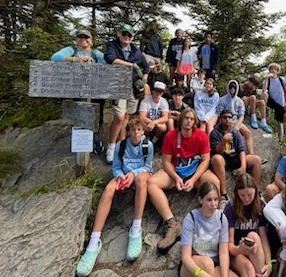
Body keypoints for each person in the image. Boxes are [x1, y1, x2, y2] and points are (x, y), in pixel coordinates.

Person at [75, 118, 153, 276]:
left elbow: (148, 166)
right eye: (133, 130)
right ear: (128, 131)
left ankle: (136, 228)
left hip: (139, 175)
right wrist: (121, 176)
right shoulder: (121, 146)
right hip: (123, 176)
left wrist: (133, 174)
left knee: (141, 181)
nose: (136, 133)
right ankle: (94, 242)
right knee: (108, 190)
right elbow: (116, 167)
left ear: (143, 131)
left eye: (139, 130)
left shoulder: (147, 146)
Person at [147, 108, 220, 252]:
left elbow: (206, 160)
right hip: (176, 172)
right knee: (151, 183)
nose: (188, 121)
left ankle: (206, 223)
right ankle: (172, 224)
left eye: (191, 119)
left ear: (195, 122)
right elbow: (166, 162)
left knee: (214, 183)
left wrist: (193, 180)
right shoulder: (171, 136)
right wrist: (175, 177)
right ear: (181, 120)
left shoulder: (201, 136)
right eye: (186, 118)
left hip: (195, 173)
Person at [51, 28, 106, 154]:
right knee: (80, 115)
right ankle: (82, 144)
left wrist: (92, 64)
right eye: (80, 37)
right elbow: (55, 57)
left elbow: (106, 63)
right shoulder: (71, 50)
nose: (83, 40)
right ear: (76, 40)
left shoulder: (96, 53)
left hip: (96, 89)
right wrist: (75, 60)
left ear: (91, 40)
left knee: (98, 116)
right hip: (78, 89)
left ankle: (96, 140)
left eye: (86, 38)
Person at [104, 24, 149, 163]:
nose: (127, 37)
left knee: (126, 117)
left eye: (129, 35)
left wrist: (143, 80)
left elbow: (146, 67)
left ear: (133, 37)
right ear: (118, 34)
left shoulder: (136, 51)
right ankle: (111, 146)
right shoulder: (113, 46)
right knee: (119, 116)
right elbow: (110, 59)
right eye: (124, 34)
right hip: (118, 86)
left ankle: (121, 146)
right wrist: (132, 65)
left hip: (133, 88)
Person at [210, 110, 262, 210]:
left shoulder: (235, 131)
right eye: (225, 117)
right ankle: (223, 195)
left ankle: (257, 193)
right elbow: (217, 151)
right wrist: (224, 140)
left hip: (236, 158)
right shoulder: (214, 133)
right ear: (220, 119)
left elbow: (242, 149)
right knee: (216, 159)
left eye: (230, 117)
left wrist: (243, 166)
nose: (227, 120)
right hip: (223, 159)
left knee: (256, 160)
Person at [224, 174, 272, 277]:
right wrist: (240, 250)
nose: (246, 199)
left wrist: (269, 263)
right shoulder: (230, 208)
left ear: (255, 191)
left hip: (253, 247)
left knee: (253, 236)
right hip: (236, 251)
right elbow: (229, 244)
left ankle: (261, 273)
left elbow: (263, 236)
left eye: (250, 195)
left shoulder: (260, 205)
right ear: (237, 193)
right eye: (242, 195)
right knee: (249, 270)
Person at [180, 181, 231, 277]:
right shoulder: (191, 218)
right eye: (209, 200)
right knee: (207, 264)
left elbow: (223, 253)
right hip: (194, 265)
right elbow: (186, 258)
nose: (214, 204)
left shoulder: (221, 218)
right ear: (200, 200)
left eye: (216, 199)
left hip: (215, 263)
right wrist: (202, 275)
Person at [217, 80, 255, 155]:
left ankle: (251, 154)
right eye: (231, 88)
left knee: (247, 132)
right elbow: (220, 114)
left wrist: (237, 126)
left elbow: (241, 115)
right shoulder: (222, 100)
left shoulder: (240, 101)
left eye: (234, 88)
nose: (232, 90)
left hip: (236, 122)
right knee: (228, 135)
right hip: (225, 121)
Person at [261, 63, 286, 142]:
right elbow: (264, 90)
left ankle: (280, 140)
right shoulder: (268, 80)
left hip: (280, 102)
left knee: (280, 123)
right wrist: (267, 78)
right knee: (264, 94)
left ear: (277, 71)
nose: (273, 70)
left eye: (275, 69)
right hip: (271, 101)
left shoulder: (281, 79)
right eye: (271, 69)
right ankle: (265, 113)